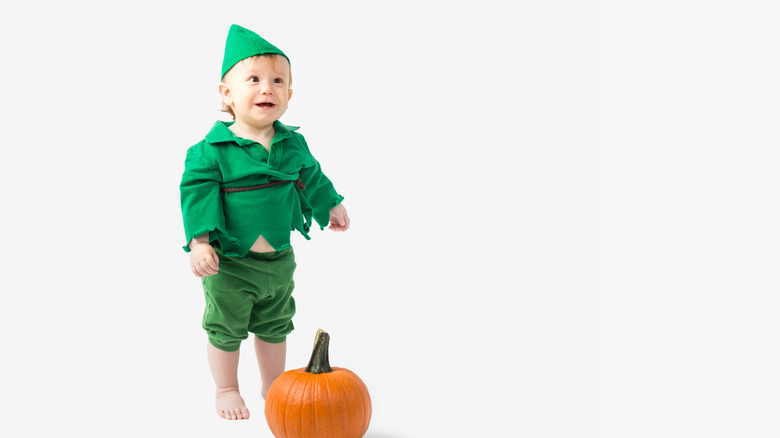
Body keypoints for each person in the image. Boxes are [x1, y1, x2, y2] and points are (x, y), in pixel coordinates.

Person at [180, 24, 349, 421]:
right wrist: (201, 242)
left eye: (278, 81)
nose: (266, 88)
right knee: (226, 327)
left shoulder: (292, 143)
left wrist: (331, 205)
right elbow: (197, 196)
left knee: (276, 325)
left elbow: (310, 176)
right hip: (230, 263)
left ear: (289, 95)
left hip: (279, 259)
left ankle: (273, 384)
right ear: (227, 94)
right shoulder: (210, 151)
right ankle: (226, 388)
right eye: (253, 79)